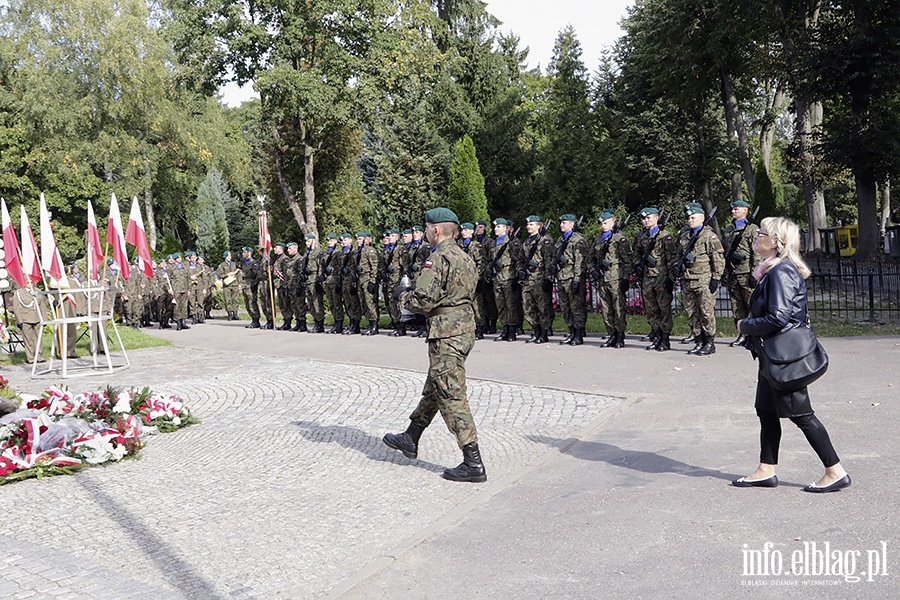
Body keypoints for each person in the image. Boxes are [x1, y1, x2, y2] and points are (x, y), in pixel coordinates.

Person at [734, 216, 850, 493]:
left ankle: (835, 470)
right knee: (766, 410)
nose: (756, 236)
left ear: (776, 242)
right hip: (771, 357)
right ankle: (765, 469)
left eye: (761, 233)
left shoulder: (781, 272)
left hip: (785, 358)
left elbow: (779, 317)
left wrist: (745, 325)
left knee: (802, 415)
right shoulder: (772, 270)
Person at [383, 207, 486, 483]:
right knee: (437, 385)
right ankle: (411, 436)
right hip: (463, 330)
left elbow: (422, 301)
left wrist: (403, 297)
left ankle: (472, 461)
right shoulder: (465, 257)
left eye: (427, 228)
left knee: (451, 394)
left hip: (446, 334)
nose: (426, 232)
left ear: (436, 230)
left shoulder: (437, 259)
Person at [676, 203, 724, 355]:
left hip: (704, 280)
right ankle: (698, 340)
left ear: (702, 218)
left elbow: (717, 258)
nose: (690, 220)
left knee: (706, 312)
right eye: (688, 218)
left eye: (693, 217)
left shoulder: (709, 236)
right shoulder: (684, 235)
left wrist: (716, 278)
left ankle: (709, 342)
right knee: (691, 312)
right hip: (688, 279)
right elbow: (679, 255)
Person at [632, 207, 678, 351]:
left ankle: (665, 338)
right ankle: (656, 335)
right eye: (644, 219)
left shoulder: (665, 236)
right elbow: (636, 253)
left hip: (661, 277)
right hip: (647, 277)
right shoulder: (641, 236)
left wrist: (671, 278)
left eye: (649, 218)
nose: (646, 221)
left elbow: (671, 258)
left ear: (656, 218)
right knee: (651, 309)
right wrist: (638, 265)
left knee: (664, 308)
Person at [591, 209, 632, 348]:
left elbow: (627, 260)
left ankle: (620, 336)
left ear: (613, 221)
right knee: (606, 308)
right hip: (603, 278)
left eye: (606, 222)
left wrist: (626, 278)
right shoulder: (598, 238)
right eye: (601, 223)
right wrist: (593, 270)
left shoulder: (620, 238)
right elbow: (591, 258)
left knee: (618, 307)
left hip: (616, 278)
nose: (603, 225)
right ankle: (611, 334)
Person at [722, 199, 760, 347]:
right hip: (733, 272)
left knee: (751, 304)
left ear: (745, 211)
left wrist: (754, 273)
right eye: (732, 209)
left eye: (736, 209)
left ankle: (754, 334)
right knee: (736, 305)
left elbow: (756, 253)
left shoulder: (751, 229)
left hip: (746, 273)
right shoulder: (729, 229)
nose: (733, 211)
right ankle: (742, 334)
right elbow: (726, 250)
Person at [554, 214, 590, 346]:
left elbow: (580, 261)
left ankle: (579, 334)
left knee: (576, 307)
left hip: (572, 277)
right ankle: (571, 331)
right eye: (561, 222)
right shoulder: (560, 240)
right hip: (561, 276)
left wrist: (577, 279)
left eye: (564, 222)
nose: (561, 225)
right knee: (565, 307)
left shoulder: (578, 239)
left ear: (572, 224)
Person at [520, 215, 555, 344]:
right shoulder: (526, 242)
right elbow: (521, 260)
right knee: (528, 307)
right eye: (528, 225)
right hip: (528, 279)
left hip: (539, 278)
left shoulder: (545, 241)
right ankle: (535, 330)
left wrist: (548, 279)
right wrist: (521, 270)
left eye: (532, 224)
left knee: (542, 307)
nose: (529, 227)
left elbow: (549, 261)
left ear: (539, 226)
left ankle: (544, 332)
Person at [216, 251, 241, 320]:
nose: (229, 257)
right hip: (227, 285)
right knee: (228, 300)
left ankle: (235, 313)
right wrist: (227, 274)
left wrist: (239, 283)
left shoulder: (233, 264)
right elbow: (219, 275)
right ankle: (230, 313)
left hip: (235, 284)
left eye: (230, 256)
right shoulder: (222, 265)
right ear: (225, 257)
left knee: (235, 299)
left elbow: (238, 274)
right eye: (228, 256)